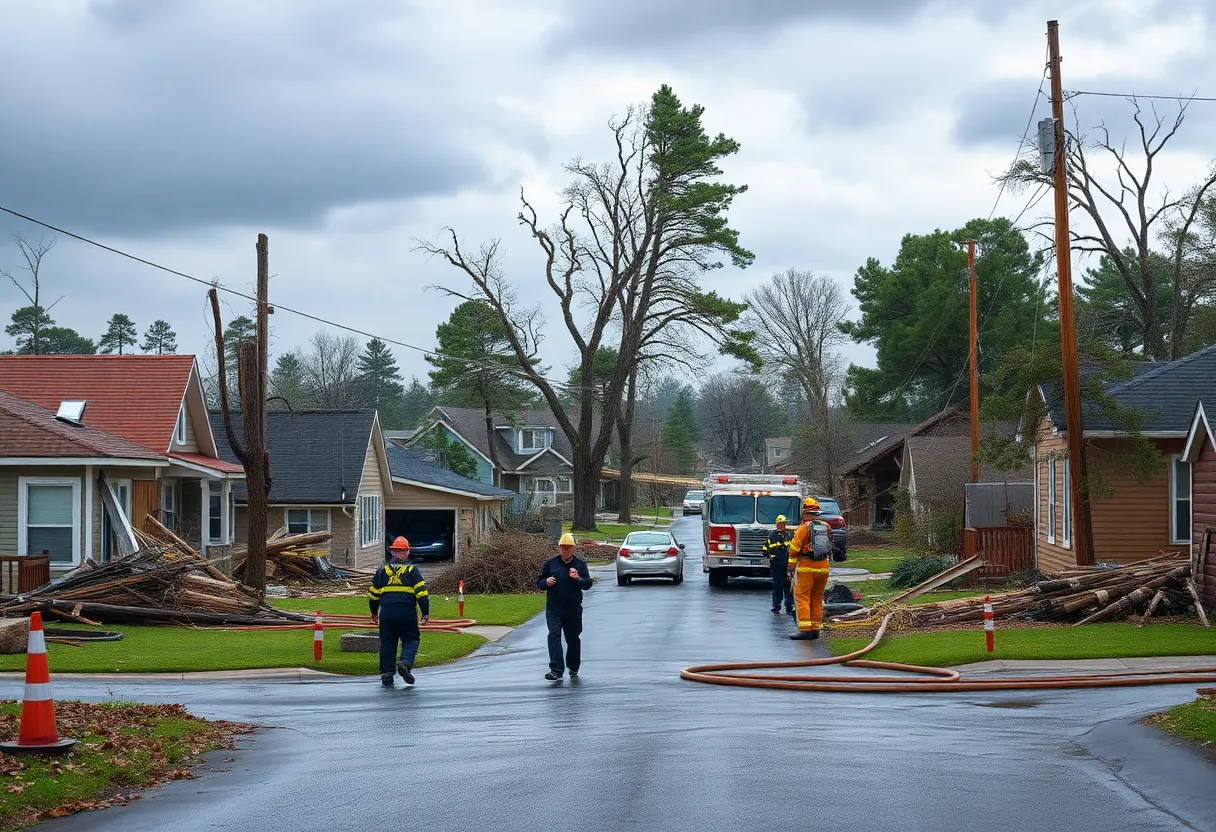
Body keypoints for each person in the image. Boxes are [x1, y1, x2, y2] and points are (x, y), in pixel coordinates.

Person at [368, 536, 429, 686]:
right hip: (406, 612)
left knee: (387, 643)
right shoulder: (412, 570)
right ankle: (405, 663)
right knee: (411, 639)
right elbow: (422, 594)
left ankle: (387, 676)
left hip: (387, 612)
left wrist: (374, 612)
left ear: (392, 552)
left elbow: (373, 595)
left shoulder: (381, 571)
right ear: (406, 552)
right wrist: (425, 612)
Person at [536, 532, 593, 681]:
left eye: (567, 548)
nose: (564, 551)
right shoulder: (551, 563)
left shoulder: (580, 565)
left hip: (573, 608)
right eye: (562, 548)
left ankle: (573, 667)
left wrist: (577, 578)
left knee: (572, 638)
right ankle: (556, 669)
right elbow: (540, 582)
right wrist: (545, 582)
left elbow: (587, 584)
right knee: (554, 635)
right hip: (554, 607)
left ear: (573, 549)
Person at [787, 498, 832, 640]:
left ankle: (805, 630)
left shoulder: (803, 528)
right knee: (817, 597)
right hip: (823, 567)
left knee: (802, 597)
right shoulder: (826, 526)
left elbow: (794, 550)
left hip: (806, 567)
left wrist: (790, 567)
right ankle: (815, 629)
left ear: (805, 512)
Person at [763, 514, 795, 615]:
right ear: (777, 524)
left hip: (788, 564)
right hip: (776, 564)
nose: (781, 525)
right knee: (777, 586)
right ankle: (776, 606)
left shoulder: (790, 535)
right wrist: (767, 553)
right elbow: (765, 548)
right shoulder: (772, 535)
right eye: (779, 523)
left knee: (788, 586)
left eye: (782, 523)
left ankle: (789, 606)